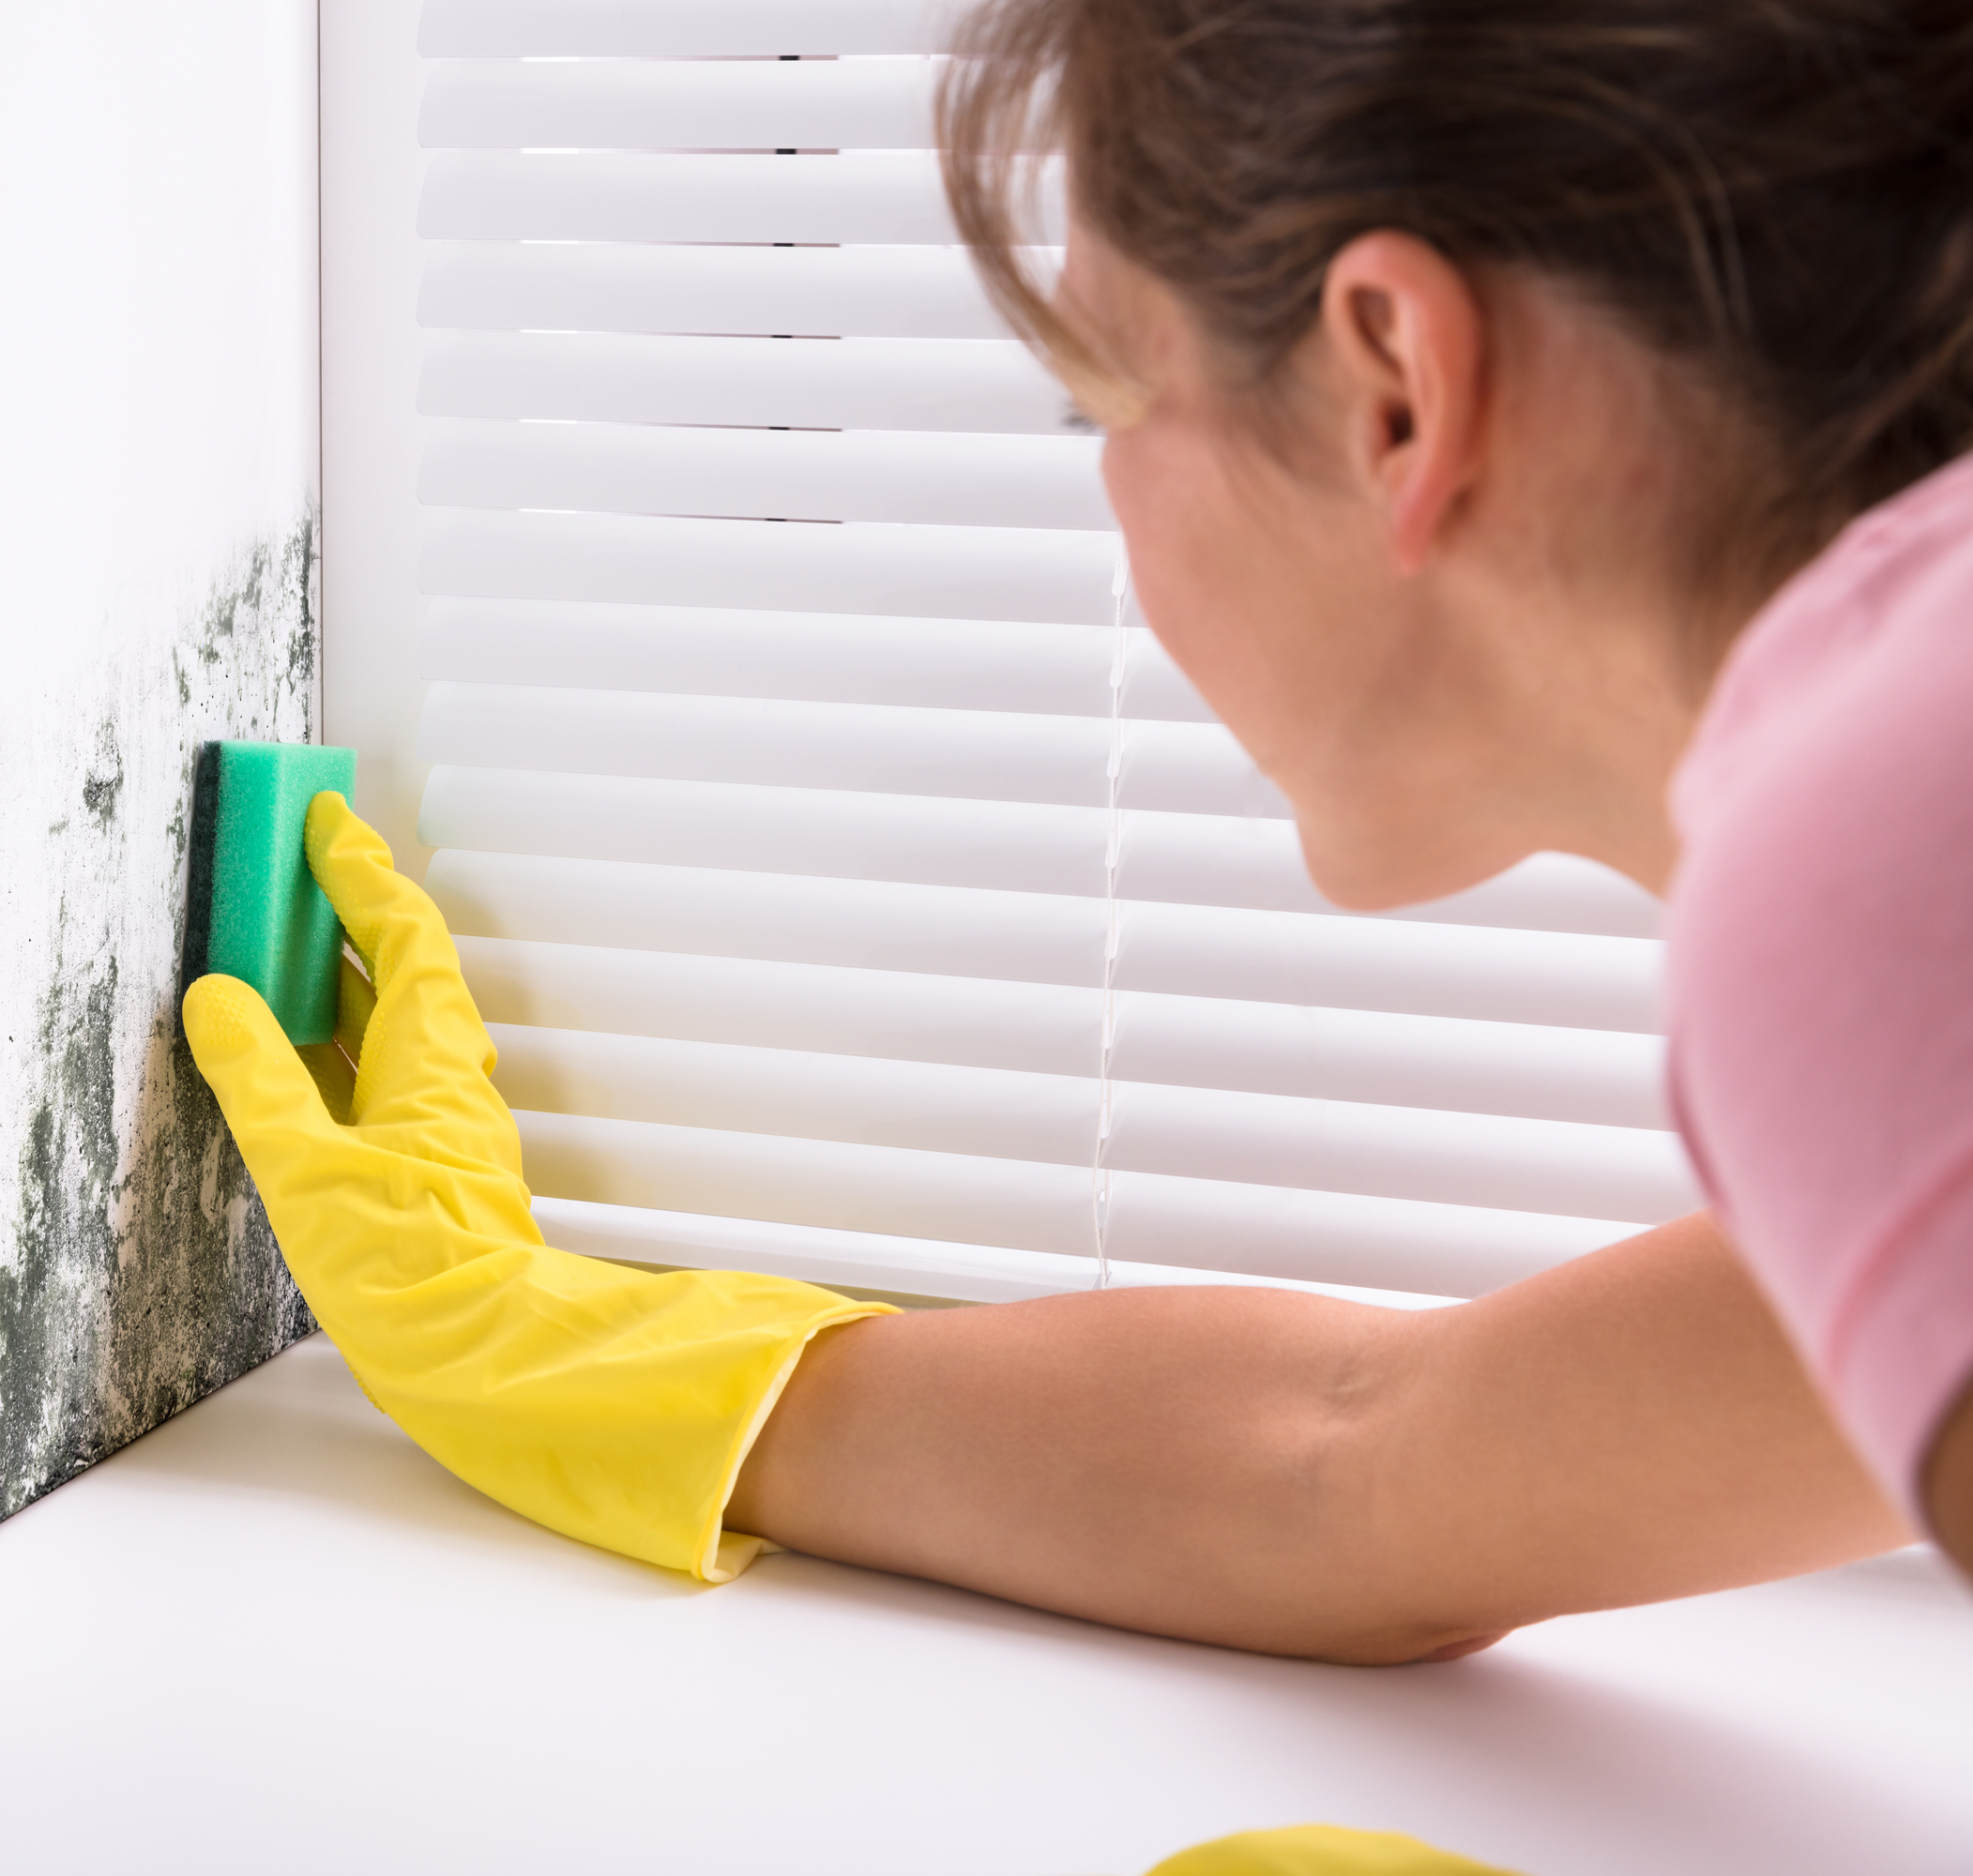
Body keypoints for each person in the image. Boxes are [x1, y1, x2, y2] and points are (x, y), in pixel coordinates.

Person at [183, 0, 1970, 1862]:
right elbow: (1360, 1461)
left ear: (1394, 389)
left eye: (1107, 395)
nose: (1109, 488)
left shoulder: (1874, 858)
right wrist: (538, 1333)